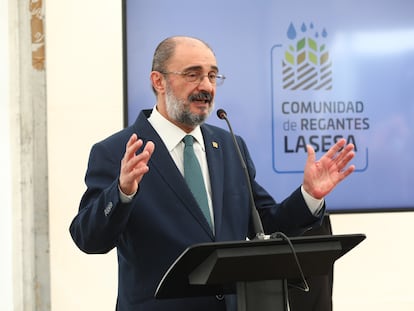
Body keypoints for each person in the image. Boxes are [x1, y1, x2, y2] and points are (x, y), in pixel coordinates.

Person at [69, 36, 355, 311]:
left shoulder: (229, 145)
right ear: (159, 81)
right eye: (193, 75)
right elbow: (88, 239)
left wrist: (309, 196)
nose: (206, 86)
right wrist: (122, 192)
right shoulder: (116, 151)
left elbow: (265, 222)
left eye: (212, 75)